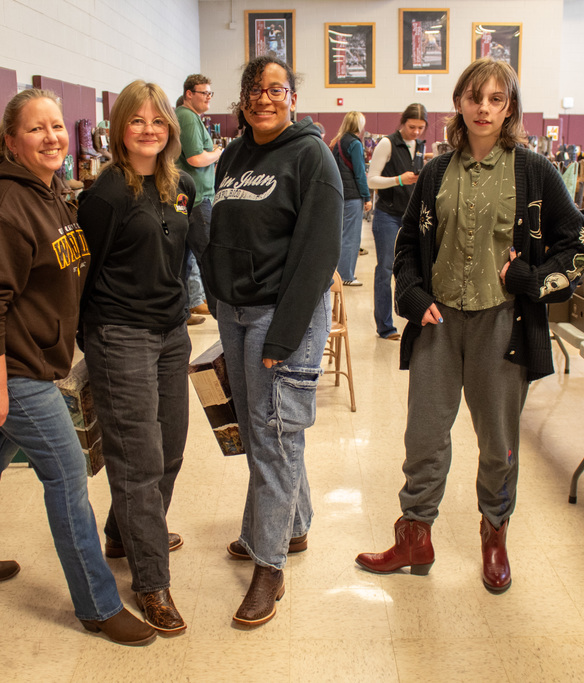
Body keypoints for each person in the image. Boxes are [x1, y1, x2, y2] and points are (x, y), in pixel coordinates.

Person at [354, 58, 584, 593]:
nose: (483, 108)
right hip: (439, 324)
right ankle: (415, 536)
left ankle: (494, 534)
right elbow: (405, 248)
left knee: (498, 442)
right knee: (423, 437)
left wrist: (534, 279)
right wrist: (413, 296)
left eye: (495, 98)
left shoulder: (534, 170)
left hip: (502, 327)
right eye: (474, 97)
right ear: (459, 104)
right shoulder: (438, 171)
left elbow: (582, 246)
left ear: (509, 106)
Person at [0, 88, 155, 647]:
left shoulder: (48, 192)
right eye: (36, 129)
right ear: (10, 140)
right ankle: (98, 606)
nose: (53, 137)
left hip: (28, 360)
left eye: (57, 126)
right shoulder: (4, 205)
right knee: (67, 475)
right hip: (10, 367)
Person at [202, 55, 342, 627]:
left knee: (274, 435)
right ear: (242, 98)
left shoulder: (312, 157)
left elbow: (317, 256)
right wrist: (217, 299)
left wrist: (283, 337)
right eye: (254, 90)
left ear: (292, 96)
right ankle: (293, 524)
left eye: (276, 89)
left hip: (282, 316)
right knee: (262, 428)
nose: (264, 98)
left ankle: (269, 563)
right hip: (235, 314)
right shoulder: (233, 154)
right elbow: (223, 231)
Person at [78, 81, 195, 635]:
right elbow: (82, 272)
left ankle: (125, 534)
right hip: (119, 333)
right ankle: (151, 581)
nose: (149, 129)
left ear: (171, 127)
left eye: (158, 120)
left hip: (172, 333)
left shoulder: (180, 185)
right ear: (119, 128)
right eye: (136, 121)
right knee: (138, 460)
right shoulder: (104, 196)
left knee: (170, 447)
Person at [367, 103, 428, 340]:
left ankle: (416, 322)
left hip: (413, 217)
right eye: (412, 127)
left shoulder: (420, 146)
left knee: (415, 270)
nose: (416, 132)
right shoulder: (387, 143)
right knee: (385, 269)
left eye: (421, 128)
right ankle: (385, 326)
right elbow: (372, 181)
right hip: (388, 216)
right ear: (402, 122)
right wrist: (399, 180)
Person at [176, 74, 222, 324]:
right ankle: (221, 313)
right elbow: (195, 158)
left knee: (184, 260)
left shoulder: (188, 117)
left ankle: (182, 311)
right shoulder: (188, 117)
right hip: (195, 201)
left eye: (210, 93)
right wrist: (217, 153)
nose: (208, 98)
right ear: (189, 94)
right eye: (203, 93)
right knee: (209, 258)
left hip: (190, 198)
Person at [329, 111, 372, 286]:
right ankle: (346, 275)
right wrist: (367, 196)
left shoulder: (337, 141)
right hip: (353, 195)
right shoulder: (355, 143)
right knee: (351, 237)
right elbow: (360, 173)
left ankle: (338, 274)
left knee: (341, 235)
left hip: (339, 194)